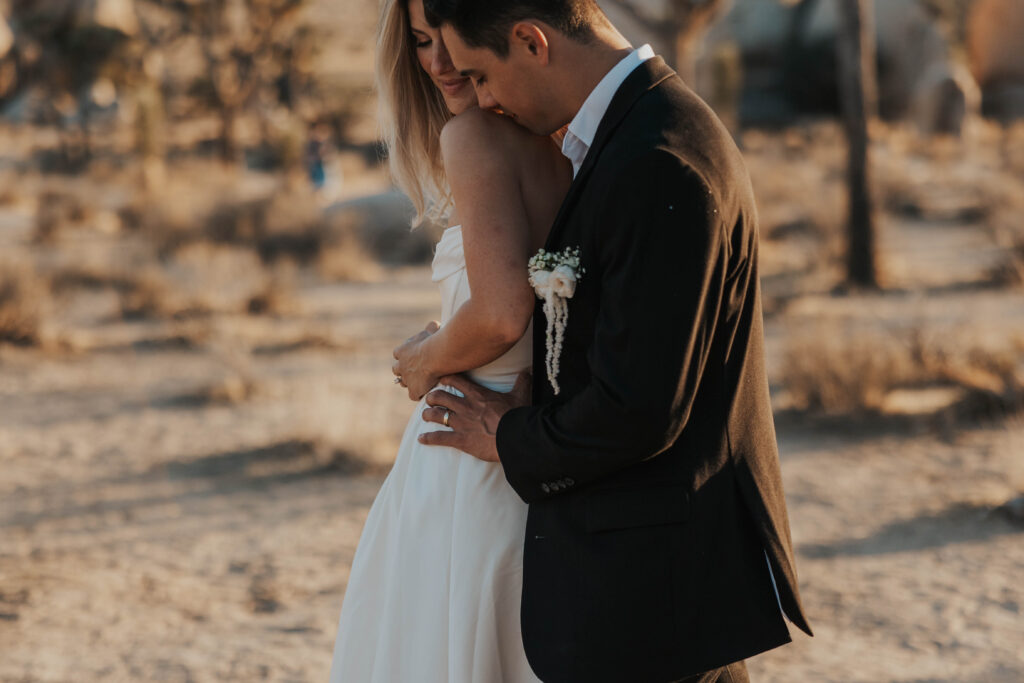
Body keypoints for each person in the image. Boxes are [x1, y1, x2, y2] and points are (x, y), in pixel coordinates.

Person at [406, 1, 815, 681]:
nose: (480, 99)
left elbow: (640, 408)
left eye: (481, 75)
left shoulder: (659, 159)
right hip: (645, 591)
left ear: (531, 41)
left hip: (655, 602)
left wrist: (508, 434)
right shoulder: (631, 135)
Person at [327, 0, 571, 680]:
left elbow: (500, 314)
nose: (438, 62)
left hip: (468, 449)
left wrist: (423, 360)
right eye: (420, 42)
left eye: (448, 38)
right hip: (537, 438)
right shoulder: (559, 138)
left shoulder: (475, 138)